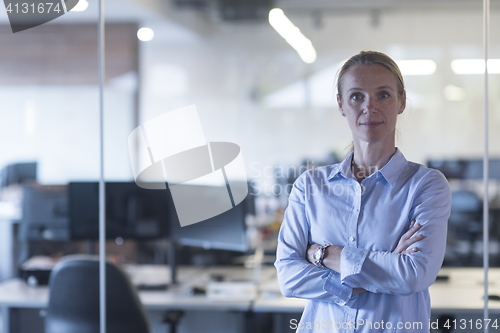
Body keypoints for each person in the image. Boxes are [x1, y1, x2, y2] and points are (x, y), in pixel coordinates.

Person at [275, 50, 451, 333]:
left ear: (401, 101)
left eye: (383, 95)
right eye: (357, 96)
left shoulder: (426, 185)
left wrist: (325, 256)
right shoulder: (310, 186)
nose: (370, 107)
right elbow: (288, 277)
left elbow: (413, 275)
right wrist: (381, 269)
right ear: (341, 104)